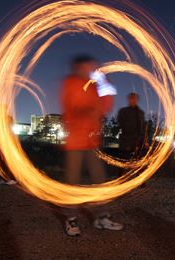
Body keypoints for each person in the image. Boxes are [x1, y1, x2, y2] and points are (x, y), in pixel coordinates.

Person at [60, 55, 123, 236]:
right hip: (75, 142)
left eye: (93, 68)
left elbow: (105, 107)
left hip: (91, 141)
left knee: (99, 179)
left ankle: (102, 217)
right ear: (79, 67)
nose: (91, 70)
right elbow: (72, 106)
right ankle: (70, 219)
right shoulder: (71, 83)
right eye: (88, 67)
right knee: (72, 182)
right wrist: (89, 112)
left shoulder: (94, 87)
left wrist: (105, 85)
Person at [117, 92, 147, 161]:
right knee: (125, 163)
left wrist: (144, 140)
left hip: (139, 144)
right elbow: (121, 124)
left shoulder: (141, 113)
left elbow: (143, 128)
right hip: (126, 143)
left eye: (135, 98)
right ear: (128, 100)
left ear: (137, 100)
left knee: (137, 165)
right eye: (131, 98)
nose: (133, 100)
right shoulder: (123, 111)